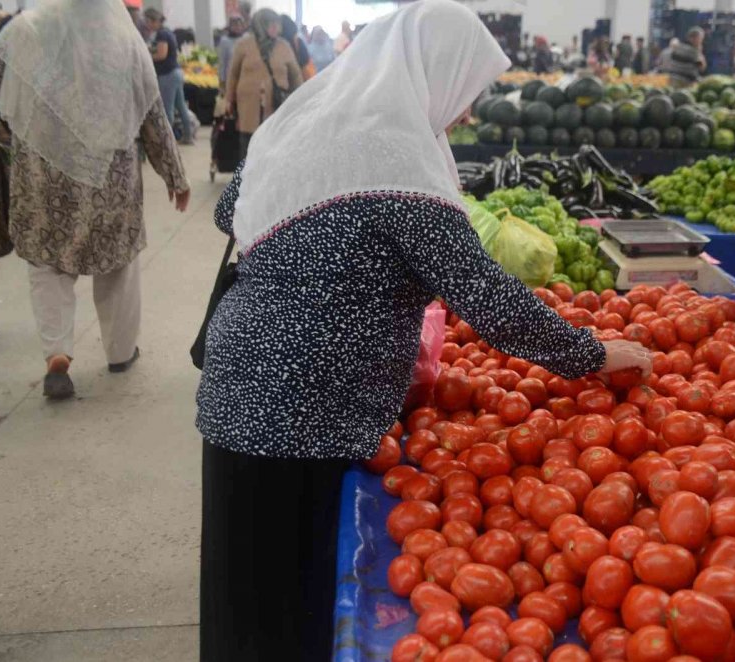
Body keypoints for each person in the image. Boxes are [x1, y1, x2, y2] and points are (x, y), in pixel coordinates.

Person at [194, 2, 651, 660]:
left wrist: (327, 265)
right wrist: (591, 353)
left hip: (240, 375)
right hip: (304, 403)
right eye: (466, 89)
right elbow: (485, 295)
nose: (465, 113)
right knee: (291, 589)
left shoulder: (303, 121)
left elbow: (229, 213)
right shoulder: (397, 161)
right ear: (433, 70)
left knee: (242, 577)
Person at [0, 0, 188, 399]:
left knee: (47, 266)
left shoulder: (26, 30)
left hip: (43, 174)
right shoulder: (124, 40)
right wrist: (174, 173)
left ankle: (57, 355)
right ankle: (119, 352)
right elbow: (152, 112)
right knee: (118, 266)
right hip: (108, 177)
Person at [225, 8, 302, 158]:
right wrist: (229, 99)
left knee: (275, 146)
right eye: (270, 24)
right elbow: (233, 74)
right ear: (260, 25)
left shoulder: (283, 46)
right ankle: (246, 180)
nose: (275, 28)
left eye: (276, 24)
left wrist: (300, 99)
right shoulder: (244, 45)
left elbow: (296, 75)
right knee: (248, 148)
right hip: (249, 106)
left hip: (277, 105)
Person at [144, 8, 193, 145]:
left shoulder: (162, 34)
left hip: (168, 75)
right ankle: (188, 137)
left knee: (167, 108)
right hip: (175, 73)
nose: (147, 25)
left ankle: (167, 142)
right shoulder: (167, 32)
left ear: (154, 21)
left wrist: (147, 55)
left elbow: (161, 55)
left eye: (148, 21)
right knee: (181, 106)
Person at [280, 15, 315, 80]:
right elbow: (305, 60)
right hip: (299, 78)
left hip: (283, 78)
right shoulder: (298, 41)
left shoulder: (277, 45)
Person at [217, 14, 246, 93]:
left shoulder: (246, 39)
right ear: (230, 26)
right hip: (230, 78)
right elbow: (222, 62)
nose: (237, 27)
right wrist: (222, 81)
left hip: (244, 78)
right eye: (234, 25)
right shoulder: (225, 41)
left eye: (239, 25)